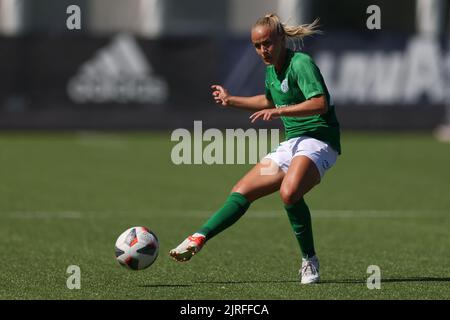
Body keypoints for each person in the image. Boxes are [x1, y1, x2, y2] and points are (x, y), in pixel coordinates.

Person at [169, 13, 341, 284]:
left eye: (268, 43)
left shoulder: (301, 63)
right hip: (292, 142)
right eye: (257, 46)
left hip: (319, 139)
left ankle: (309, 260)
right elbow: (268, 100)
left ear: (281, 39)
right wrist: (231, 100)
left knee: (289, 192)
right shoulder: (271, 71)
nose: (263, 50)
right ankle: (198, 237)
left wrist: (280, 110)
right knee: (241, 191)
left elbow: (320, 103)